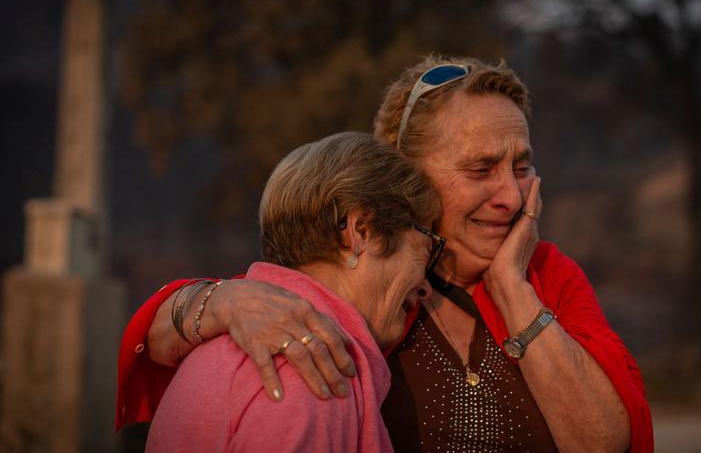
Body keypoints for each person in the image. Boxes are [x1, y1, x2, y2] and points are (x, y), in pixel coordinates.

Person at [117, 55, 654, 452]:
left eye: (521, 165)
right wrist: (221, 301)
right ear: (406, 175)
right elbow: (167, 343)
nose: (512, 196)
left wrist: (514, 289)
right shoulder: (367, 285)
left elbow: (602, 442)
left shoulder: (546, 273)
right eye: (481, 168)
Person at [146, 132, 442, 451]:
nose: (426, 286)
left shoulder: (221, 345)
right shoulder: (313, 370)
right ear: (361, 232)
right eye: (428, 245)